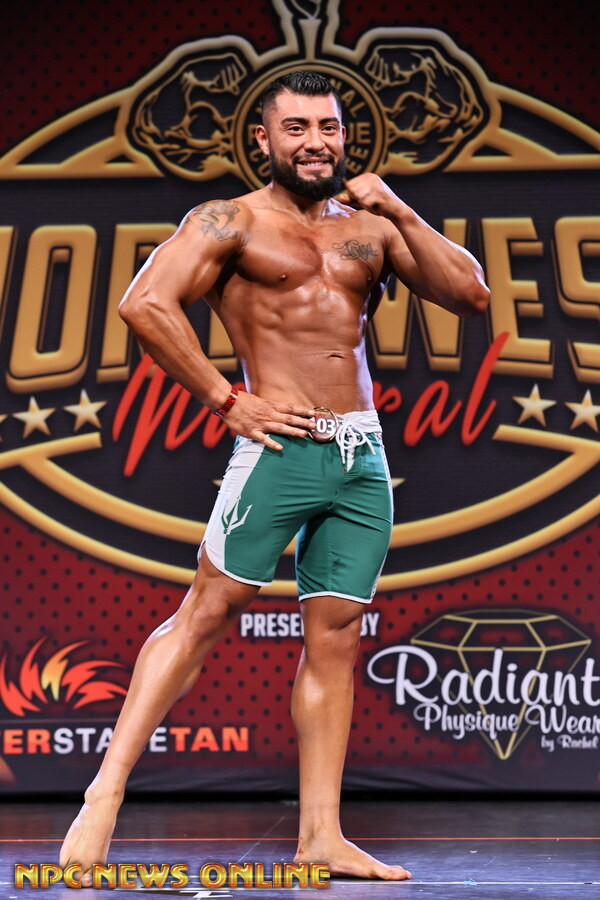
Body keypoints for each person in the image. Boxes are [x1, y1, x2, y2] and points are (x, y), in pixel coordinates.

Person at [60, 70, 490, 884]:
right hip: (281, 449)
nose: (315, 143)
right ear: (264, 139)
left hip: (361, 454)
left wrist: (400, 208)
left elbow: (470, 293)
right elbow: (145, 304)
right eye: (296, 128)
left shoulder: (371, 226)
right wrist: (227, 399)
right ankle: (103, 796)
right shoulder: (229, 220)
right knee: (206, 614)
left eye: (327, 128)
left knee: (337, 637)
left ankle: (320, 836)